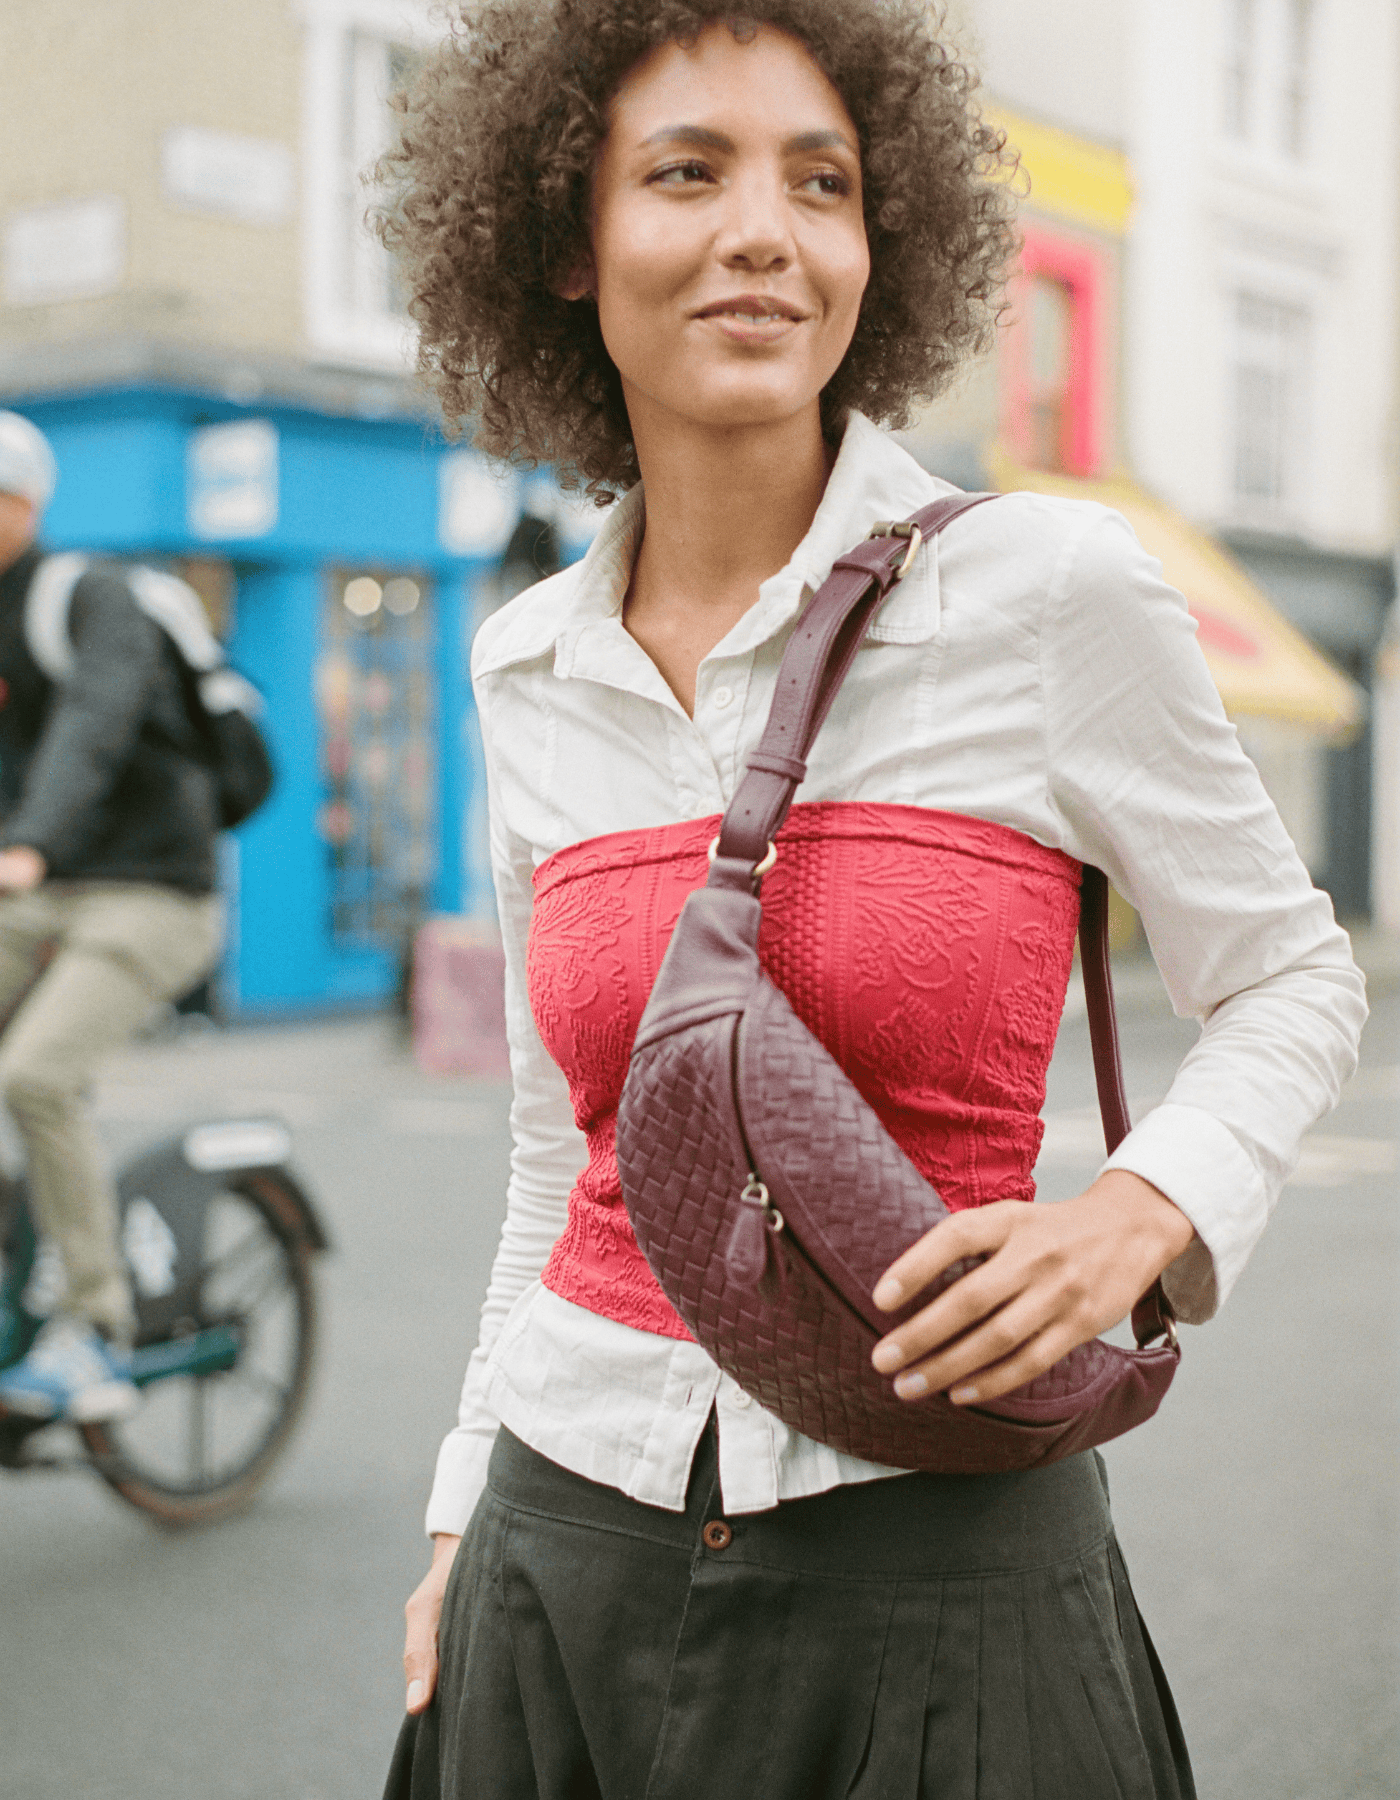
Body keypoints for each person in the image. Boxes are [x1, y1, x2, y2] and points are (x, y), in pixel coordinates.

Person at [376, 4, 1367, 1794]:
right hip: (562, 1543)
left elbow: (1294, 975)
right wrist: (462, 1510)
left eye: (821, 184)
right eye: (688, 172)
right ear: (561, 247)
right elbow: (561, 1147)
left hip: (943, 1560)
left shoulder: (1050, 589)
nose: (766, 227)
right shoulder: (524, 663)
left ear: (876, 247)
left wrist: (1141, 1210)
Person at [0, 412, 225, 1424]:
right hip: (38, 889)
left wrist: (34, 838)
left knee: (35, 1074)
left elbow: (94, 723)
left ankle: (93, 1326)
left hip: (151, 891)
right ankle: (30, 1247)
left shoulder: (86, 596)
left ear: (23, 504)